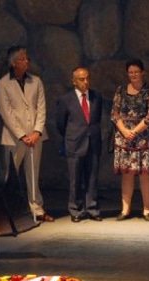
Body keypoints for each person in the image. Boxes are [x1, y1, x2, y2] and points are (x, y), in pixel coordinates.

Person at [0, 46, 54, 222]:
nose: (26, 61)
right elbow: (6, 111)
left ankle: (36, 208)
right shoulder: (3, 84)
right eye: (22, 59)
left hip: (35, 136)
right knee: (10, 174)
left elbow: (41, 107)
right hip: (15, 137)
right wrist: (22, 135)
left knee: (33, 172)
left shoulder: (35, 81)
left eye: (27, 58)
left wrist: (36, 131)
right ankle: (7, 210)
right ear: (13, 63)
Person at [110, 59, 149, 221]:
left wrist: (135, 131)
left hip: (144, 138)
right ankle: (125, 210)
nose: (133, 75)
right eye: (130, 72)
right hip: (124, 138)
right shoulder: (120, 90)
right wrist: (125, 131)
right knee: (127, 174)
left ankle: (147, 210)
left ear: (142, 72)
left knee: (145, 174)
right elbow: (115, 114)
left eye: (136, 72)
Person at [55, 67, 104, 221]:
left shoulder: (97, 96)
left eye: (87, 78)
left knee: (92, 178)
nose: (86, 82)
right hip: (75, 143)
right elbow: (60, 123)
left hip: (93, 142)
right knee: (75, 179)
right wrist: (72, 136)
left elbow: (97, 119)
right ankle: (75, 209)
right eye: (82, 79)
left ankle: (92, 209)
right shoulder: (66, 99)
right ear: (74, 81)